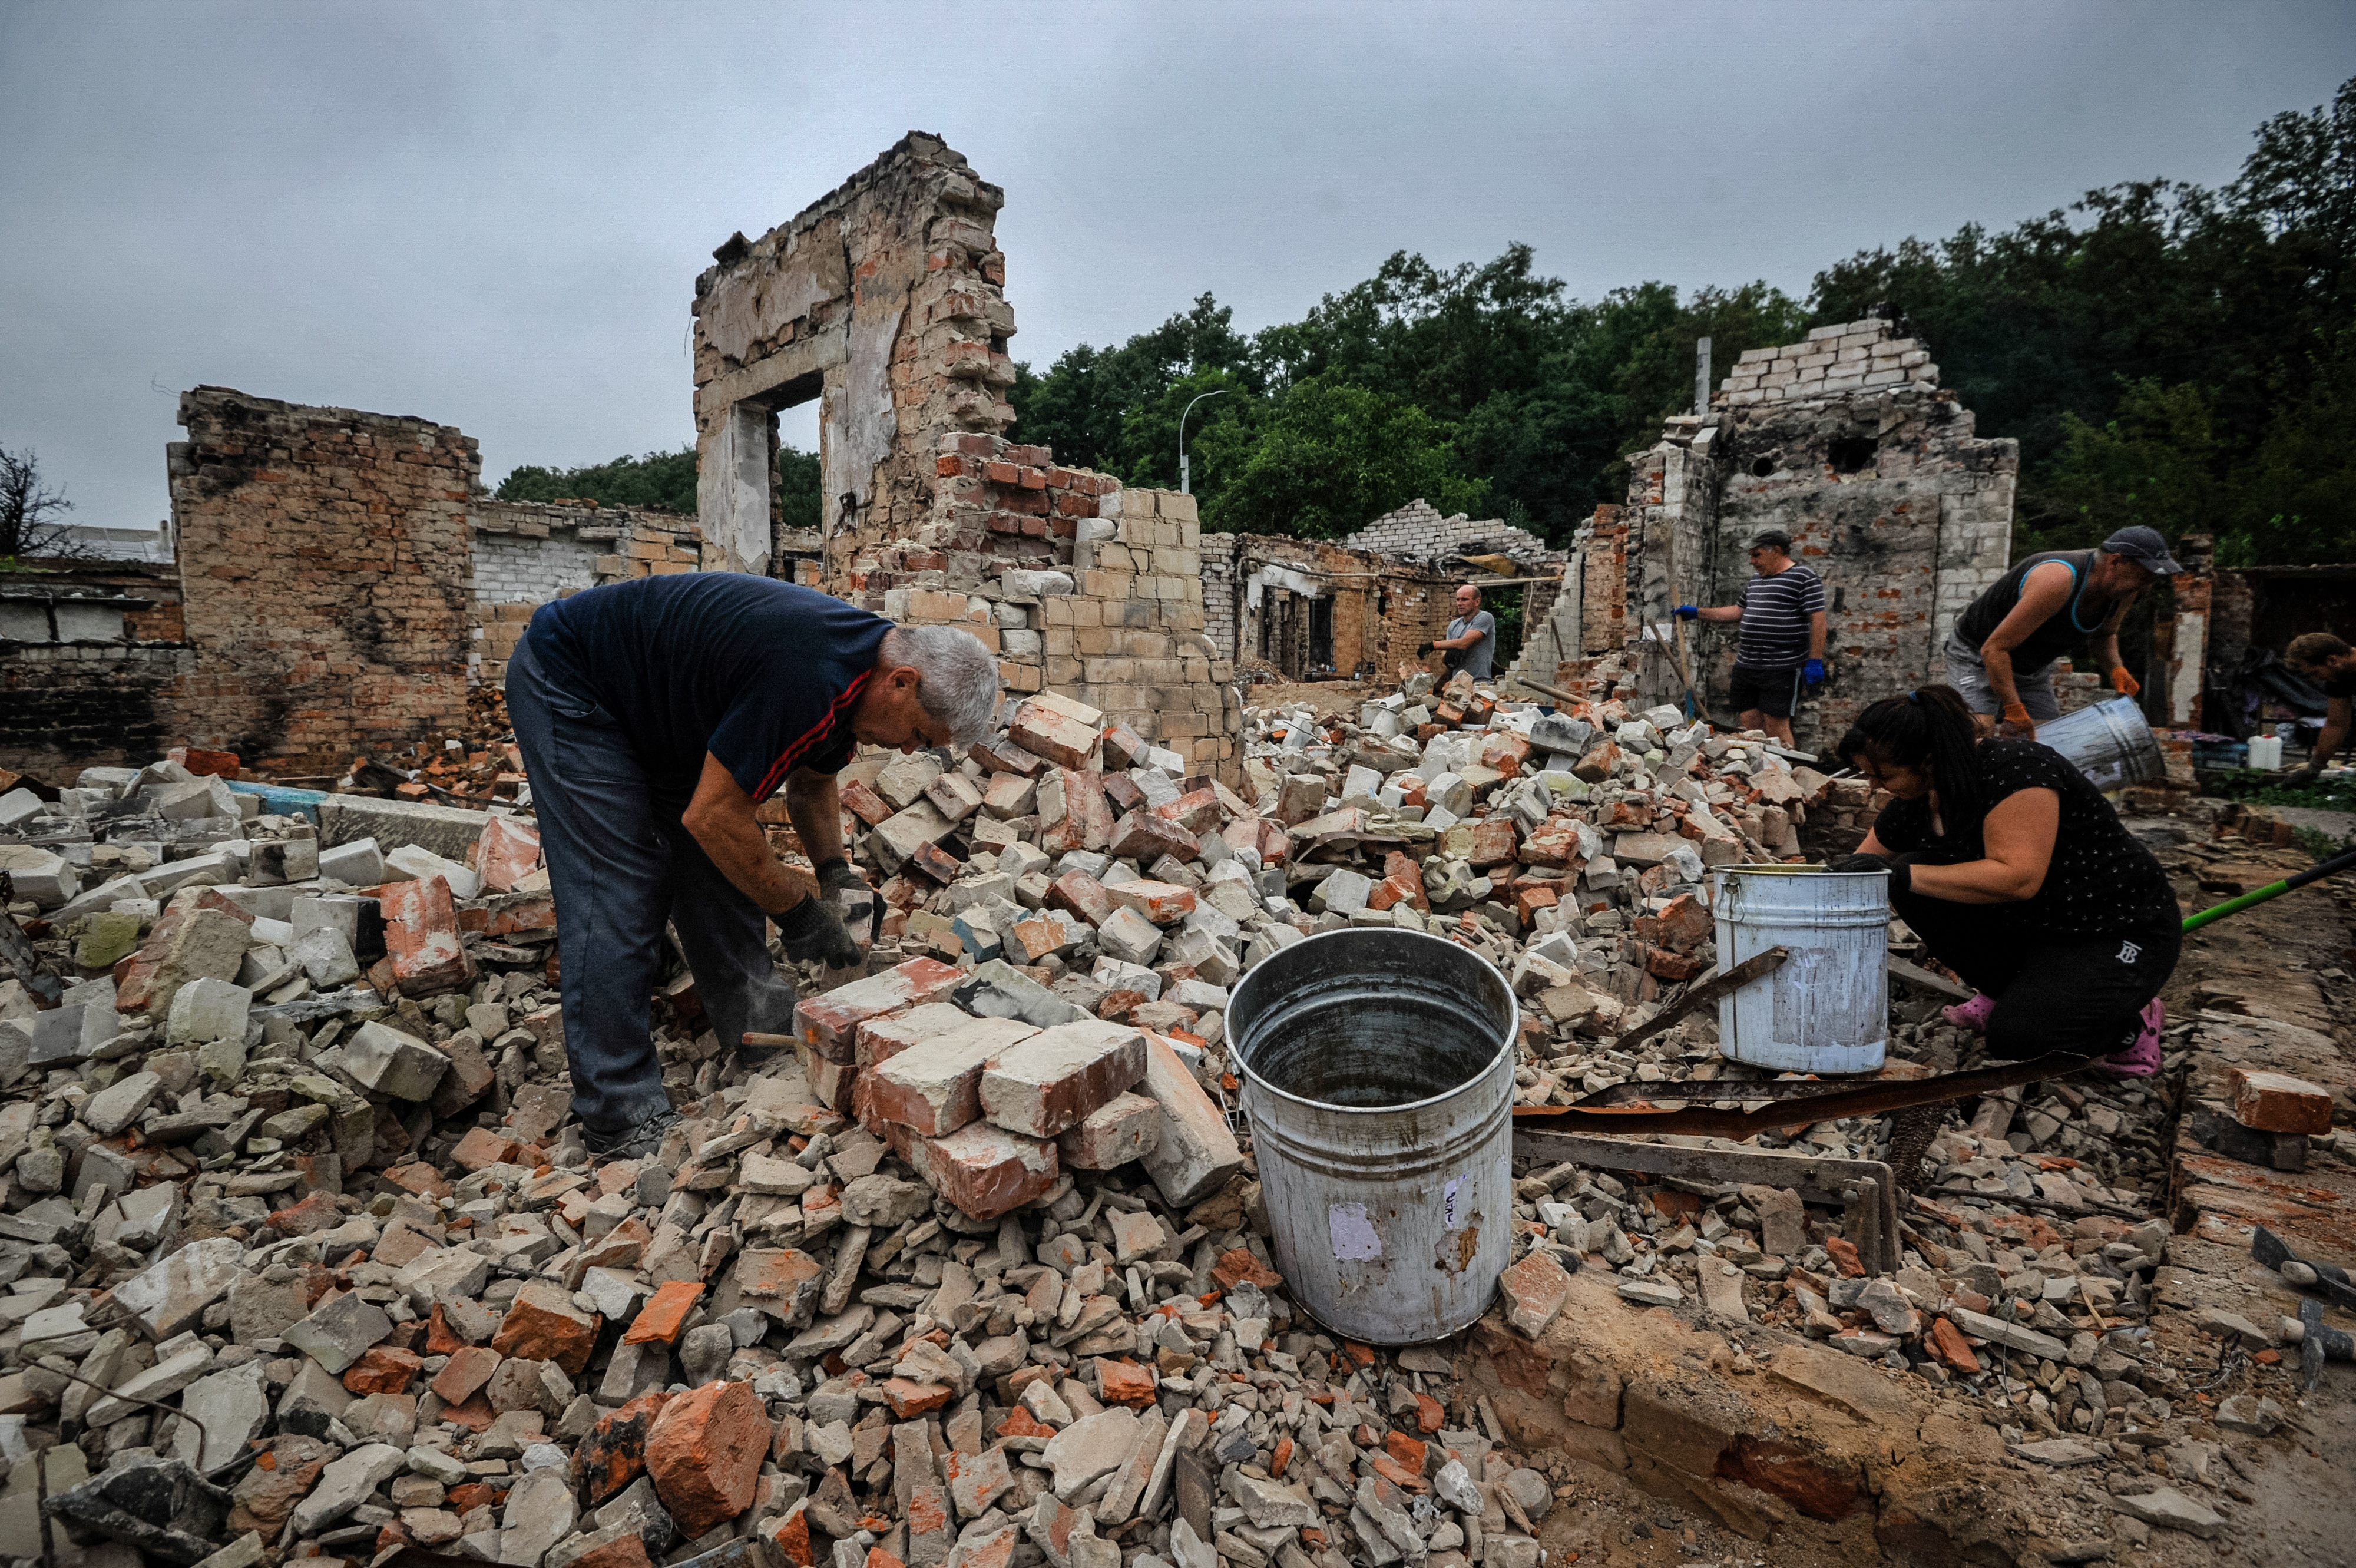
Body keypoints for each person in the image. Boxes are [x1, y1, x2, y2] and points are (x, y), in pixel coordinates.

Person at [507, 573, 1002, 1160]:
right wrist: (798, 913)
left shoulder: (858, 682)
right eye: (918, 734)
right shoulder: (809, 673)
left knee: (719, 872)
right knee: (617, 888)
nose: (909, 751)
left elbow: (814, 782)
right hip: (576, 684)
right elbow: (712, 817)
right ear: (901, 681)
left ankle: (760, 1040)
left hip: (663, 712)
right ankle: (618, 1117)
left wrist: (833, 871)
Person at [1826, 685, 2181, 1077]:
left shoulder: (2017, 771)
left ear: (1928, 760)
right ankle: (2006, 990)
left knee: (2020, 1040)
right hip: (2038, 927)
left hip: (2115, 930)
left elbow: (2018, 879)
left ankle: (2131, 1029)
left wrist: (1903, 876)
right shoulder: (1918, 801)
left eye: (1884, 776)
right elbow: (1861, 865)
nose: (1875, 787)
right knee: (1912, 876)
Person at [1945, 525, 2181, 737]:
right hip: (1977, 654)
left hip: (2029, 668)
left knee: (2045, 740)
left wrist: (2116, 669)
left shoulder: (2123, 591)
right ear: (2116, 562)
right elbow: (1995, 648)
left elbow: (2105, 635)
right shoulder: (2058, 579)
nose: (2147, 586)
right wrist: (2013, 709)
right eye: (2145, 576)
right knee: (1978, 730)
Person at [1673, 527, 1826, 747]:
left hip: (1781, 667)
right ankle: (1759, 773)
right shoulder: (1756, 581)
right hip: (1747, 665)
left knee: (1776, 727)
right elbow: (1738, 611)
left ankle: (1784, 777)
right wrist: (1698, 613)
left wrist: (1815, 660)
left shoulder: (1803, 577)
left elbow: (1818, 620)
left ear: (1776, 551)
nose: (1752, 561)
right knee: (1750, 724)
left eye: (1757, 555)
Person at [2281, 632, 2354, 788]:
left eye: (2315, 672)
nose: (2315, 679)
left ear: (2332, 660)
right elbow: (2336, 725)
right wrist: (2312, 769)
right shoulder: (2337, 679)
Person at [1418, 584, 1497, 680]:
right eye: (1458, 600)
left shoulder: (1485, 618)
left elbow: (1464, 643)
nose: (1459, 603)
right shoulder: (1453, 625)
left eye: (1464, 600)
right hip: (1457, 683)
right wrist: (1447, 657)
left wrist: (1433, 645)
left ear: (1477, 602)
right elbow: (1446, 652)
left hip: (1479, 682)